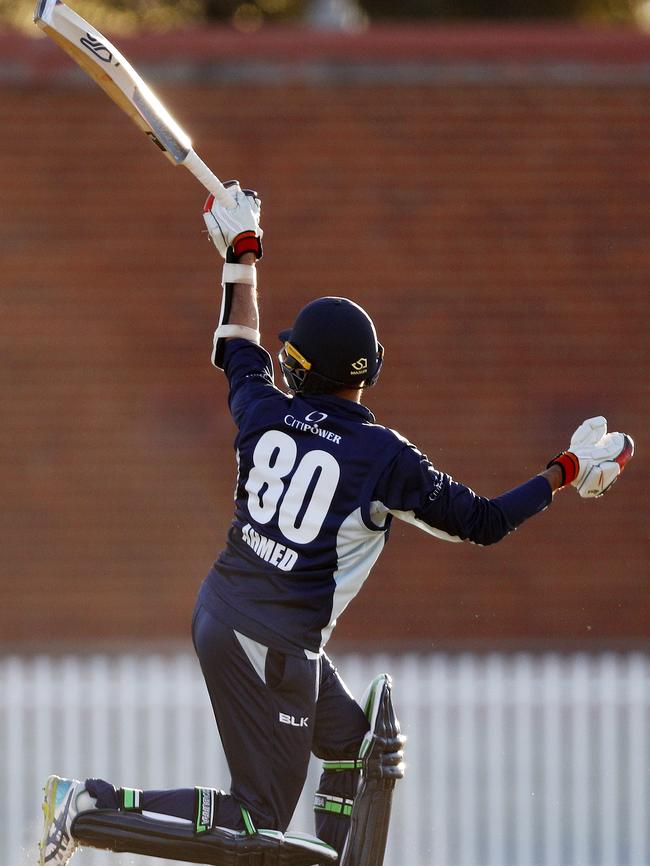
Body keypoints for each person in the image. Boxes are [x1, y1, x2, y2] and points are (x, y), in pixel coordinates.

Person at [39, 183, 634, 866]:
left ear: (299, 369)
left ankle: (323, 854)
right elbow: (488, 522)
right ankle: (91, 806)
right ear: (369, 373)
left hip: (235, 619)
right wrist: (564, 469)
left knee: (356, 748)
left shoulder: (263, 407)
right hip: (272, 644)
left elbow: (239, 341)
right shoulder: (383, 456)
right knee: (257, 820)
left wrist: (242, 255)